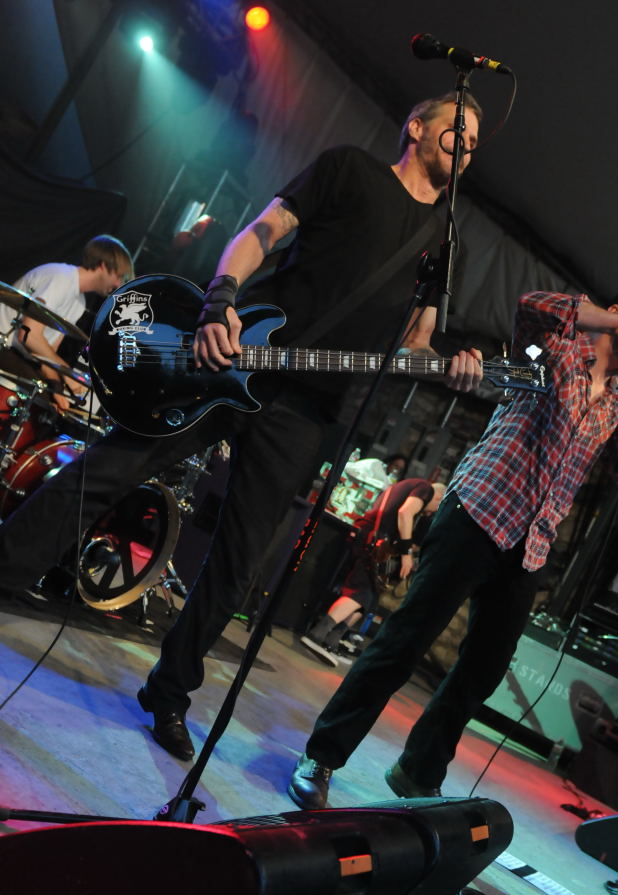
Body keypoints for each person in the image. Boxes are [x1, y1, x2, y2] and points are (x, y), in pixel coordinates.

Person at [0, 92, 484, 762]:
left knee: (239, 559)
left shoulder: (447, 240)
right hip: (234, 353)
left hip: (309, 407)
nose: (467, 144)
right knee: (111, 468)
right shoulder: (348, 168)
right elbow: (263, 230)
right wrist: (219, 302)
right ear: (418, 127)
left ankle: (170, 692)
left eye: (476, 141)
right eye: (458, 129)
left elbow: (416, 342)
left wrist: (449, 365)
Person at [287, 287, 618, 809]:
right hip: (478, 512)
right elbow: (531, 305)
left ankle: (417, 772)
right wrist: (614, 329)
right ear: (616, 314)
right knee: (403, 644)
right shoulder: (555, 351)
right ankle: (322, 756)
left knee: (483, 670)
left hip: (530, 546)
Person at [301, 479, 445, 666]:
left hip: (372, 540)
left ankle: (331, 641)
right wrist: (406, 553)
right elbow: (405, 513)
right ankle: (317, 634)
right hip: (372, 541)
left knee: (369, 598)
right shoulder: (425, 489)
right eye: (436, 509)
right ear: (439, 497)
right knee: (360, 592)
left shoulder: (407, 486)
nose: (430, 513)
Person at [0, 235, 133, 415]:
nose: (118, 284)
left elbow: (46, 354)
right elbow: (28, 335)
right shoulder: (61, 277)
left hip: (18, 354)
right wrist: (66, 372)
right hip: (4, 345)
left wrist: (57, 387)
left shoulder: (80, 303)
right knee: (40, 401)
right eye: (118, 276)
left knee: (54, 407)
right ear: (102, 265)